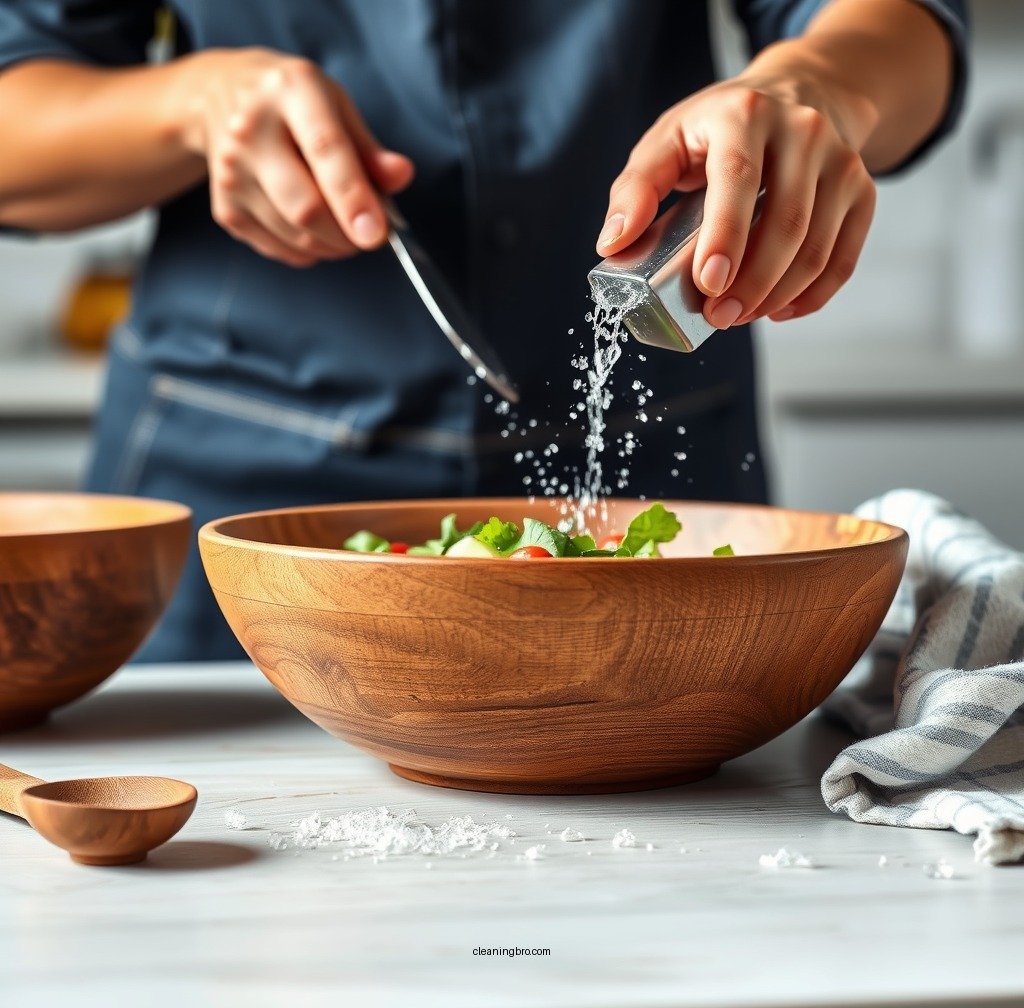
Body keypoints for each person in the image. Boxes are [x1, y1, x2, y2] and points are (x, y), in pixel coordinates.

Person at [0, 1, 968, 661]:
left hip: (654, 482)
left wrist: (817, 85)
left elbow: (907, 26)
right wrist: (192, 106)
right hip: (238, 496)